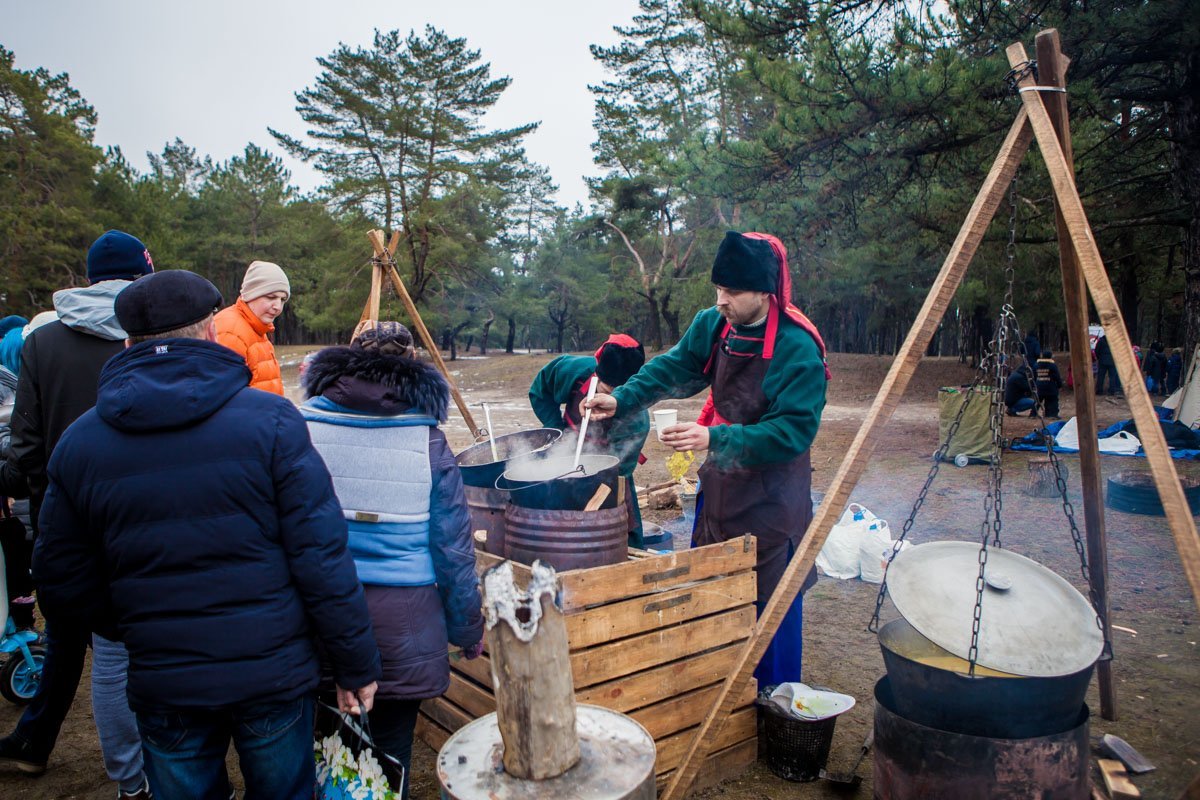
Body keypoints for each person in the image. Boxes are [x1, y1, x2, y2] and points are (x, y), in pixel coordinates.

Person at [30, 269, 381, 800]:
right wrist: (354, 662)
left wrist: (133, 622)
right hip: (270, 670)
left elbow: (61, 582)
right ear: (212, 332)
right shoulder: (274, 422)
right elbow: (323, 558)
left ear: (127, 343)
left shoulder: (81, 443)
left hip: (170, 677)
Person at [587, 231, 828, 686]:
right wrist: (623, 399)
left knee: (770, 603)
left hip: (773, 496)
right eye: (718, 290)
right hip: (722, 486)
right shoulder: (714, 325)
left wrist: (715, 437)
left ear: (763, 291)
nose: (721, 301)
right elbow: (671, 367)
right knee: (711, 590)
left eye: (732, 292)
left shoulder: (798, 349)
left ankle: (772, 701)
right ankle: (716, 688)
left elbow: (793, 431)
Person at [302, 320, 484, 799]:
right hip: (405, 623)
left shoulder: (301, 429)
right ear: (412, 368)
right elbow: (453, 550)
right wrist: (467, 628)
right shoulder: (428, 441)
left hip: (314, 617)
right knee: (389, 752)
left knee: (320, 744)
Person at [0, 231, 153, 799]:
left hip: (63, 522)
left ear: (89, 276)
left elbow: (26, 445)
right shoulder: (151, 335)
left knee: (72, 637)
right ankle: (156, 767)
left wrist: (34, 495)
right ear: (142, 275)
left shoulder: (42, 343)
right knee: (135, 645)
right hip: (142, 518)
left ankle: (47, 750)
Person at [528, 334, 649, 546]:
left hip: (608, 461)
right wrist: (557, 429)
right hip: (567, 447)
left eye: (617, 394)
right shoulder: (571, 370)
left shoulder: (637, 419)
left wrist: (594, 479)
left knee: (620, 524)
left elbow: (620, 470)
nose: (605, 399)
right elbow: (540, 391)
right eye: (604, 389)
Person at [214, 260, 290, 394]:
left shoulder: (257, 328)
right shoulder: (230, 331)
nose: (277, 307)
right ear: (251, 294)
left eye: (282, 299)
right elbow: (225, 397)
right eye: (271, 297)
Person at [1034, 350, 1064, 419]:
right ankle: (1052, 414)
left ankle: (1033, 413)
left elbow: (1034, 375)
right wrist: (1060, 385)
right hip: (1050, 386)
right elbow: (1057, 376)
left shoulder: (1036, 365)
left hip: (1039, 385)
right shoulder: (1052, 366)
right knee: (1052, 400)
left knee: (1038, 401)